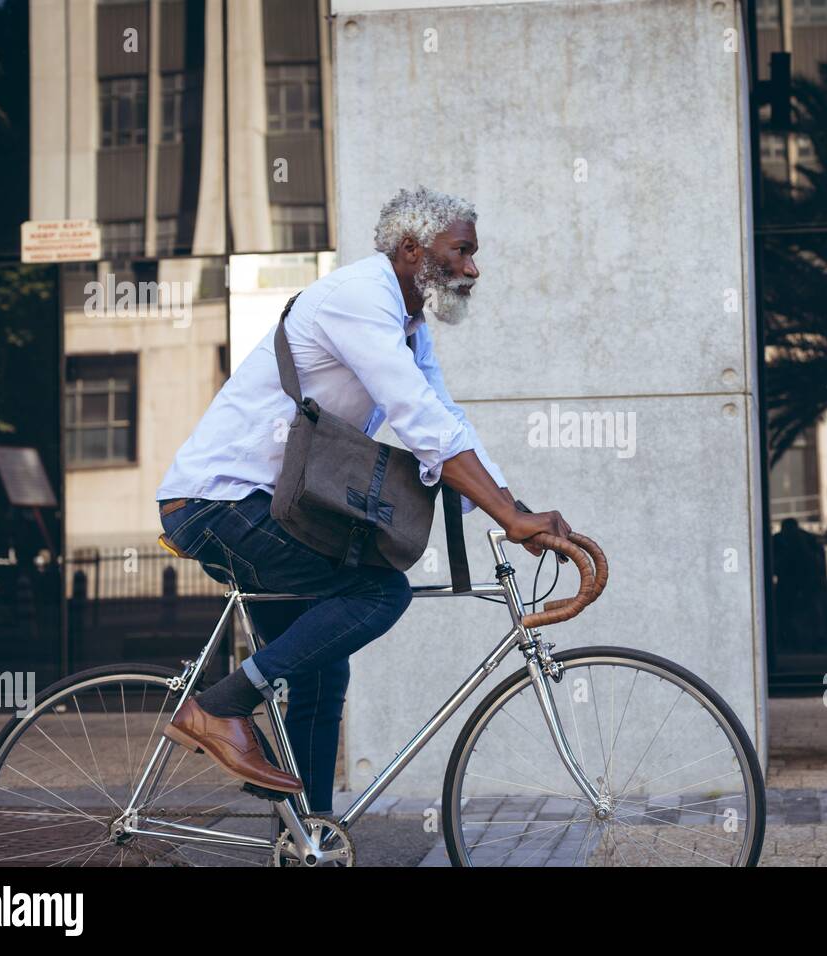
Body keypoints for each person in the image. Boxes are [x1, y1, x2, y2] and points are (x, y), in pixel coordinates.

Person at [155, 185, 571, 812]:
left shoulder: (407, 325)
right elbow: (417, 418)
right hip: (220, 505)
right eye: (461, 251)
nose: (473, 268)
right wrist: (509, 517)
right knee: (378, 592)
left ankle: (309, 842)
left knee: (322, 677)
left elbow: (444, 420)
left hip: (267, 510)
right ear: (412, 250)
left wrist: (516, 511)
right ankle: (221, 706)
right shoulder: (358, 299)